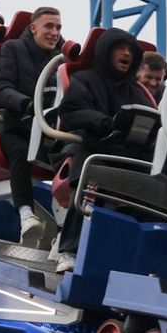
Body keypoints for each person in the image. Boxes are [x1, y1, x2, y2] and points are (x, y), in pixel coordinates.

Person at [52, 28, 149, 272]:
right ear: (106, 51)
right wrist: (106, 122)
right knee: (92, 178)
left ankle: (140, 258)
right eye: (120, 48)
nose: (126, 54)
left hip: (126, 155)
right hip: (92, 148)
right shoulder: (85, 79)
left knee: (156, 184)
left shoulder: (136, 91)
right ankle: (69, 250)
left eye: (130, 50)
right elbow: (71, 110)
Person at [0, 7, 63, 241]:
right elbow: (2, 90)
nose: (54, 32)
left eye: (58, 27)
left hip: (49, 130)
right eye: (49, 26)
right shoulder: (13, 49)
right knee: (21, 152)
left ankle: (63, 234)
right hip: (17, 126)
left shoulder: (60, 60)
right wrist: (26, 104)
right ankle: (26, 214)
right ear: (33, 28)